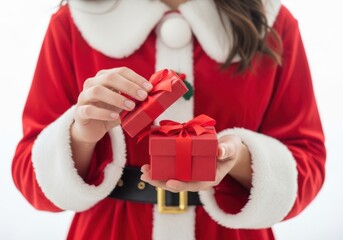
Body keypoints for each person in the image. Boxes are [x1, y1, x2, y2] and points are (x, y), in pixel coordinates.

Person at [12, 0, 326, 239]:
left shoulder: (272, 22)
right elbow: (30, 174)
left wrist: (239, 158)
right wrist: (80, 136)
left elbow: (307, 163)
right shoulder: (75, 21)